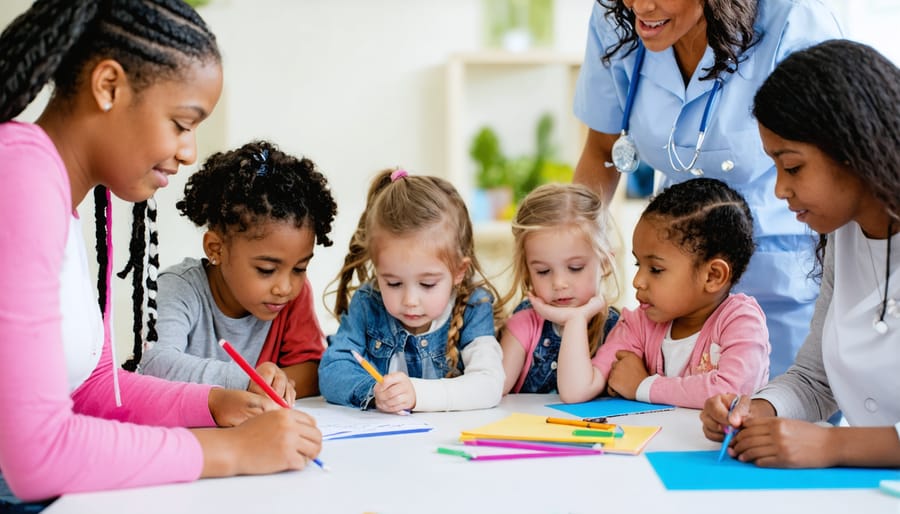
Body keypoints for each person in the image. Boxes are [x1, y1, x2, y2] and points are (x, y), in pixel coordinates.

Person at [0, 0, 321, 506]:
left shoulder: (60, 196)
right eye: (181, 122)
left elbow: (95, 391)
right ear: (109, 87)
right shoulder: (19, 181)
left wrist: (215, 403)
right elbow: (38, 457)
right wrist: (231, 452)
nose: (190, 151)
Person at [572, 0, 842, 378]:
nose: (642, 7)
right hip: (677, 287)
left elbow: (840, 172)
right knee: (675, 425)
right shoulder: (616, 17)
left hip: (785, 275)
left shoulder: (793, 21)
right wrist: (572, 252)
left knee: (780, 415)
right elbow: (602, 149)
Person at [701, 40, 900, 468]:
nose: (779, 189)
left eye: (792, 167)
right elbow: (816, 379)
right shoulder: (844, 238)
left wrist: (834, 446)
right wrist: (755, 412)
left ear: (855, 148)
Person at [138, 140, 337, 400]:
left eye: (300, 268)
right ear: (216, 249)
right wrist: (248, 380)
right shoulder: (178, 288)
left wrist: (275, 383)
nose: (285, 287)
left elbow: (313, 370)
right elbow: (155, 364)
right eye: (266, 269)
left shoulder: (292, 296)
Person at [558, 178, 770, 409]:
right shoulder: (638, 323)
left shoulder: (740, 320)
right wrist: (576, 318)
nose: (637, 281)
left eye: (656, 270)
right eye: (638, 264)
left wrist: (643, 386)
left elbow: (731, 392)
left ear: (712, 276)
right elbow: (578, 389)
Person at [318, 169, 505, 413]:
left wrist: (417, 395)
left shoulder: (474, 305)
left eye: (427, 284)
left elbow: (489, 384)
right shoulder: (368, 302)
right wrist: (373, 391)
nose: (410, 301)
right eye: (393, 283)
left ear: (459, 270)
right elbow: (333, 370)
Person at [498, 183, 620, 394]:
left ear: (605, 264)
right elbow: (494, 390)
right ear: (527, 271)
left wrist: (575, 320)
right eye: (543, 271)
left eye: (575, 268)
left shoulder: (618, 330)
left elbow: (575, 392)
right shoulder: (525, 322)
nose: (559, 283)